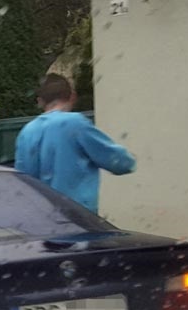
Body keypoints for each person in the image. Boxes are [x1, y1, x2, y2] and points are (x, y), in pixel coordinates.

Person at [15, 74, 135, 213]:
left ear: (40, 101)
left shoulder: (27, 131)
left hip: (41, 217)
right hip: (77, 216)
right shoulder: (75, 123)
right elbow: (117, 161)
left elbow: (22, 180)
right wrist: (131, 161)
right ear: (72, 96)